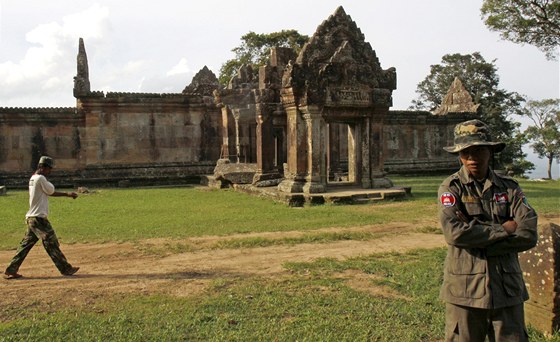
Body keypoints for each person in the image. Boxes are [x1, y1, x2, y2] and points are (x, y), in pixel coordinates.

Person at [438, 120, 538, 341]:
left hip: (506, 287)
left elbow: (528, 233)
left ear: (490, 151)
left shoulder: (509, 187)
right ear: (459, 154)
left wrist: (479, 241)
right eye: (466, 152)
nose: (473, 158)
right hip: (465, 289)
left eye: (479, 150)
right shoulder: (451, 188)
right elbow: (455, 233)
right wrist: (504, 228)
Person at [4, 156, 80, 279]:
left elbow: (49, 192)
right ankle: (65, 268)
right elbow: (51, 190)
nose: (50, 171)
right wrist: (68, 194)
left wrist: (67, 194)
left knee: (26, 245)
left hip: (31, 218)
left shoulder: (33, 178)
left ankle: (11, 269)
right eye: (49, 168)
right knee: (51, 242)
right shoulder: (40, 178)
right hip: (39, 219)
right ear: (42, 167)